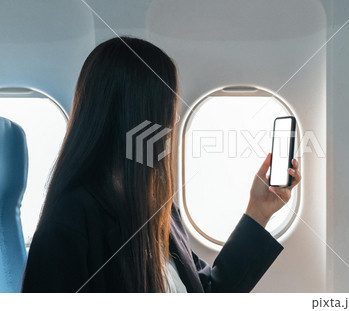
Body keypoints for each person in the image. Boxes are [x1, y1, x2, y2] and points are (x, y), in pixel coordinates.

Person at [21, 37, 301, 293]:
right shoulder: (67, 228)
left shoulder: (158, 208)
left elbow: (208, 293)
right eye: (168, 107)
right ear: (137, 117)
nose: (175, 120)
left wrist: (259, 210)